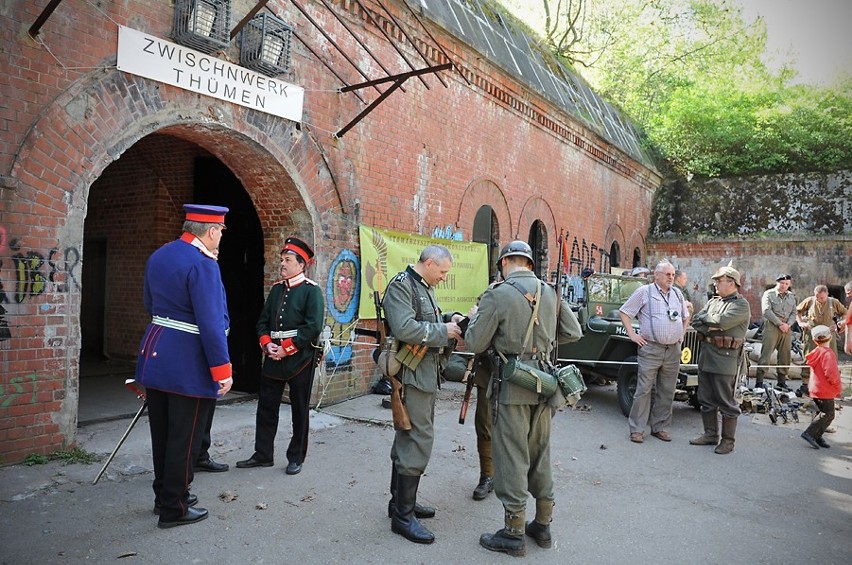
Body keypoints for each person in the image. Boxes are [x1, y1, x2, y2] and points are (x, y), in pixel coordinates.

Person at [464, 241, 582, 557]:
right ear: (529, 263)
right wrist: (542, 343)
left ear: (505, 263)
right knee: (540, 454)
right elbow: (573, 331)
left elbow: (475, 341)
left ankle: (514, 531)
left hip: (512, 384)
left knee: (512, 456)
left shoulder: (497, 293)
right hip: (545, 384)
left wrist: (476, 318)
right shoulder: (550, 291)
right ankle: (542, 524)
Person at [135, 204, 233, 528]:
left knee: (162, 434)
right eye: (220, 232)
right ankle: (174, 507)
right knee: (184, 439)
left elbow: (151, 305)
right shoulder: (203, 264)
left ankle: (164, 495)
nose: (220, 237)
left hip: (156, 352)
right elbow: (210, 322)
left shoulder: (161, 255)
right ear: (211, 231)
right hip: (189, 362)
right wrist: (222, 369)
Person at [383, 245, 463, 544]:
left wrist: (449, 317)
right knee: (417, 438)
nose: (444, 277)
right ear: (429, 264)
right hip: (412, 373)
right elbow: (405, 327)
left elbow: (426, 316)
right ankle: (403, 517)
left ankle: (399, 504)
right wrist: (443, 331)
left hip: (424, 373)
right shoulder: (402, 286)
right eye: (442, 271)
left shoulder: (422, 285)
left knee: (409, 435)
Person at [236, 238, 324, 476]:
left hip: (300, 359)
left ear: (301, 264)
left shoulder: (311, 291)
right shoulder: (276, 289)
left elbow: (313, 326)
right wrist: (267, 345)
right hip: (273, 357)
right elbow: (263, 322)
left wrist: (287, 348)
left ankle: (296, 457)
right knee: (266, 408)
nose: (282, 264)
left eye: (287, 260)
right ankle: (263, 454)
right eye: (282, 260)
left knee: (299, 410)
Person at [619, 261, 688, 443]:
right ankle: (637, 429)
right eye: (667, 274)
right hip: (651, 348)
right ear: (656, 275)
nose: (671, 277)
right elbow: (625, 312)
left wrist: (681, 334)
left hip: (673, 350)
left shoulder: (677, 294)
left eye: (673, 274)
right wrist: (633, 335)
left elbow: (685, 317)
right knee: (643, 390)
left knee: (667, 390)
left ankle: (661, 427)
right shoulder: (644, 292)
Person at [689, 266, 751, 454]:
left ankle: (728, 441)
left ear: (731, 283)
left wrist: (711, 322)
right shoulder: (714, 302)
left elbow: (723, 322)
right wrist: (712, 324)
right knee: (705, 398)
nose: (715, 284)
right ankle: (710, 434)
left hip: (725, 359)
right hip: (707, 355)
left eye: (719, 280)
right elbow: (696, 321)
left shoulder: (741, 305)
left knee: (726, 401)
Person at [444, 352, 494, 500]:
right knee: (484, 423)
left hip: (523, 369)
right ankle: (488, 476)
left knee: (516, 425)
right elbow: (469, 333)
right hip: (489, 366)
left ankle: (513, 476)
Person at [797, 285, 847, 391]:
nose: (819, 300)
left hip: (828, 333)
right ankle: (806, 382)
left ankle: (831, 383)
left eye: (822, 298)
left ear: (827, 294)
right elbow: (798, 311)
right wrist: (801, 323)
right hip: (812, 333)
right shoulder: (809, 301)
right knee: (809, 356)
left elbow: (845, 313)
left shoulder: (833, 302)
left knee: (831, 357)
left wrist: (840, 323)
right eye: (817, 297)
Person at [800, 326, 841, 449]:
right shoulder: (828, 354)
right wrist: (838, 387)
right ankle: (810, 433)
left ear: (814, 340)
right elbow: (831, 374)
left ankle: (818, 435)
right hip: (825, 390)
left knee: (821, 412)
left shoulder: (817, 352)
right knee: (828, 414)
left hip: (815, 387)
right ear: (830, 337)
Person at [754, 274, 797, 391]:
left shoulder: (791, 296)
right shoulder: (769, 294)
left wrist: (788, 324)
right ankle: (759, 381)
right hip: (772, 326)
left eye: (787, 284)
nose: (784, 286)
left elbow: (794, 312)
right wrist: (779, 324)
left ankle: (781, 382)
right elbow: (766, 311)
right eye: (782, 283)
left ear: (789, 285)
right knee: (766, 354)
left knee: (785, 355)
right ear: (777, 282)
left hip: (786, 328)